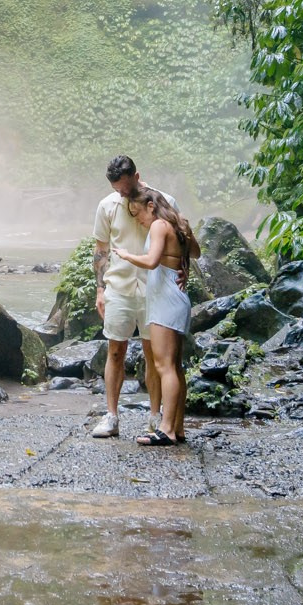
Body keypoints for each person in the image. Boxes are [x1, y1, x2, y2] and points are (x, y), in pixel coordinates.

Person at [111, 184, 201, 445]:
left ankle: (166, 430)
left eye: (137, 212)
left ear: (151, 205)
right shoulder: (179, 222)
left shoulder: (159, 225)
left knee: (164, 366)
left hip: (165, 300)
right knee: (175, 367)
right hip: (177, 297)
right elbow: (195, 252)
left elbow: (151, 261)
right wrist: (180, 263)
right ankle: (178, 428)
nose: (137, 219)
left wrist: (127, 255)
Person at [89, 154, 169, 439]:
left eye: (125, 188)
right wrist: (100, 289)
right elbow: (101, 249)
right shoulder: (107, 206)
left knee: (153, 354)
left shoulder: (162, 201)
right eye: (117, 190)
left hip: (154, 289)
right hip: (119, 288)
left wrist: (183, 271)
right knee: (115, 351)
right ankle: (111, 416)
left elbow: (180, 238)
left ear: (137, 176)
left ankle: (155, 416)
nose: (122, 195)